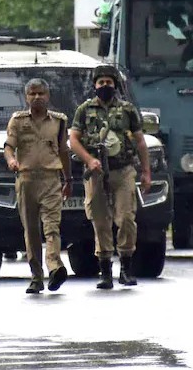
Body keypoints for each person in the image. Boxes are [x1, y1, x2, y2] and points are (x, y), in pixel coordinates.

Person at [69, 64, 152, 289]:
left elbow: (140, 141)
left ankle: (126, 267)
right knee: (100, 220)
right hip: (96, 172)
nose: (105, 86)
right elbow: (74, 139)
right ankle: (104, 269)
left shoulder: (127, 110)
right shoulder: (85, 110)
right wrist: (89, 159)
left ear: (115, 84)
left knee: (125, 218)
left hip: (123, 170)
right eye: (101, 82)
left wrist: (146, 172)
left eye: (109, 82)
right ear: (94, 85)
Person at [4, 78, 72, 294]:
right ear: (26, 97)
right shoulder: (18, 120)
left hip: (51, 179)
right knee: (31, 230)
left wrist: (68, 179)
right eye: (32, 94)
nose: (37, 97)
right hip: (26, 180)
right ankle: (36, 276)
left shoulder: (59, 121)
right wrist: (11, 161)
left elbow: (63, 151)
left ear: (48, 96)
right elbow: (8, 146)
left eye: (41, 93)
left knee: (52, 226)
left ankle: (54, 267)